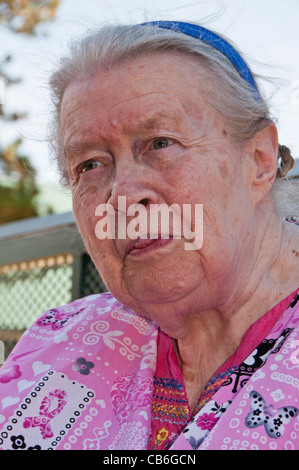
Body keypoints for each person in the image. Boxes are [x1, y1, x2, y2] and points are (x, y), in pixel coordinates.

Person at [0, 21, 298, 451]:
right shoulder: (57, 339)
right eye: (89, 165)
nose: (122, 196)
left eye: (160, 142)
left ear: (259, 159)